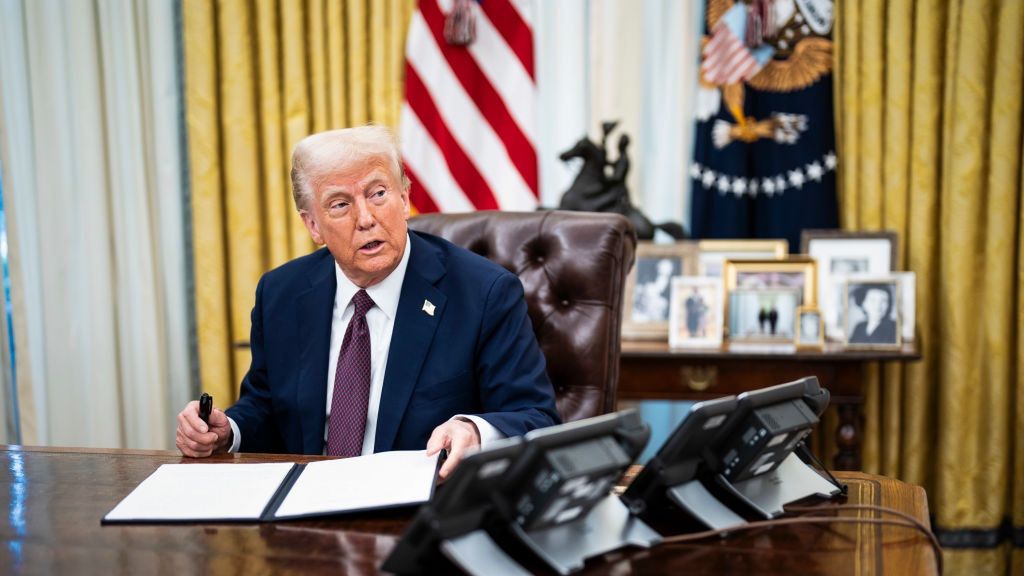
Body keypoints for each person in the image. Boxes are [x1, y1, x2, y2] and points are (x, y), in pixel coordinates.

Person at [175, 126, 561, 478]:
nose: (366, 218)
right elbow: (267, 405)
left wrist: (473, 429)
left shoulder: (483, 293)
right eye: (340, 204)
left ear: (405, 197)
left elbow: (535, 417)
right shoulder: (282, 293)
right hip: (307, 515)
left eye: (378, 194)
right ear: (313, 226)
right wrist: (229, 431)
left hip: (418, 515)